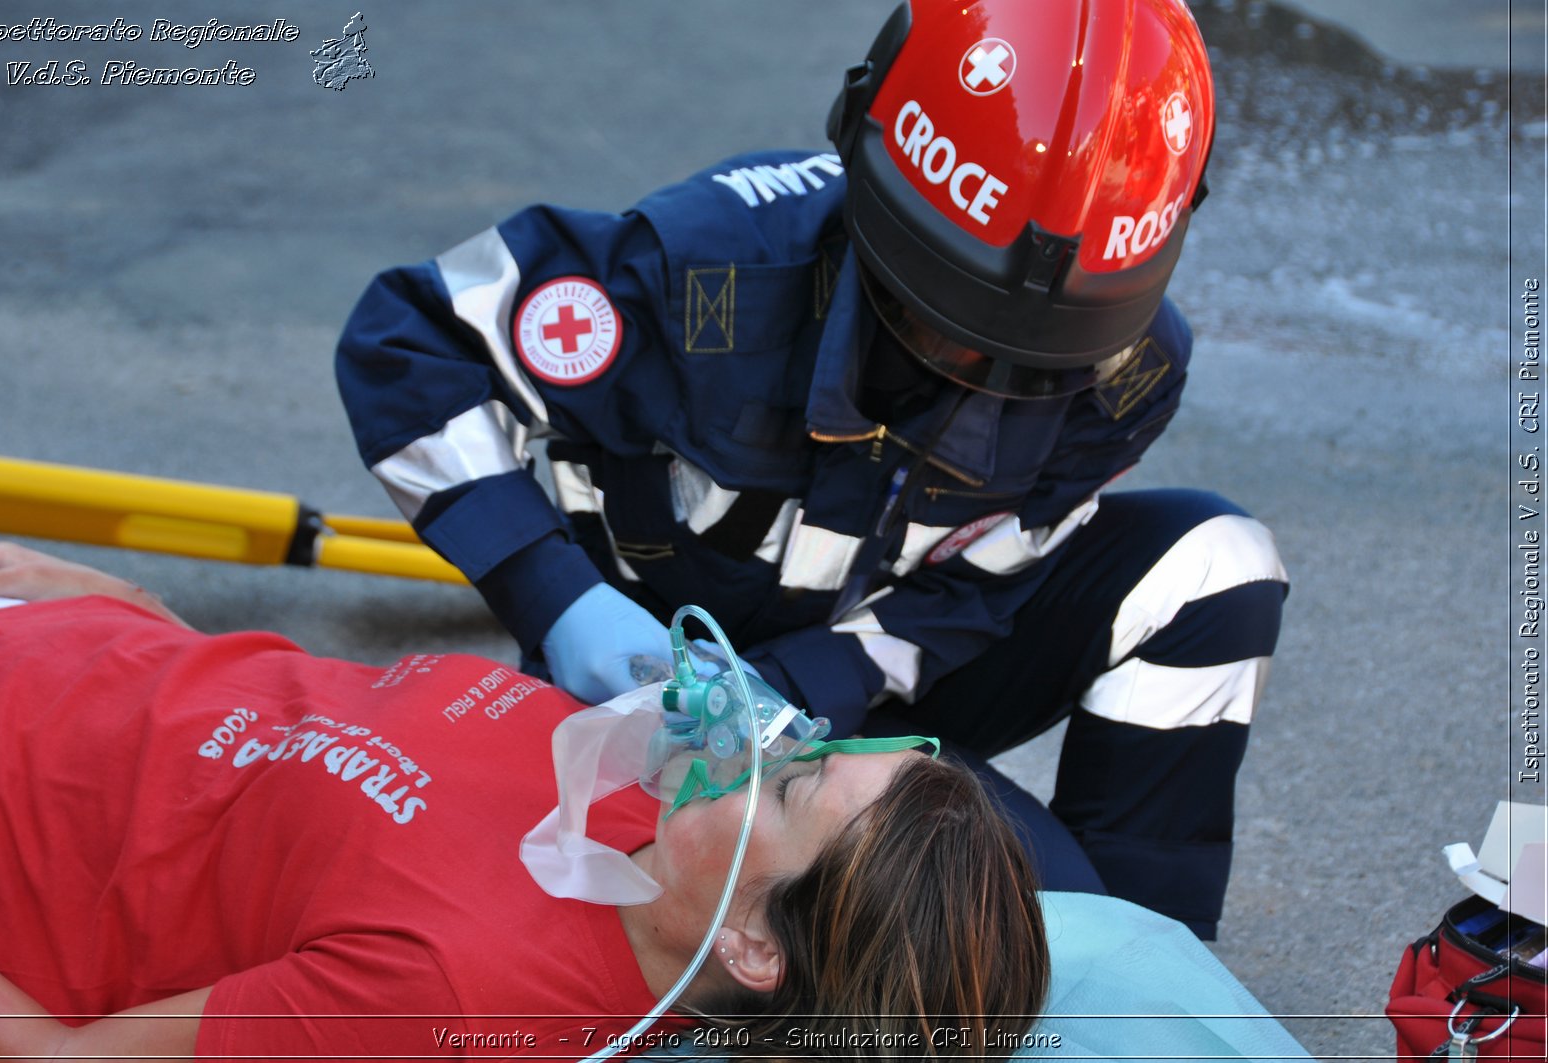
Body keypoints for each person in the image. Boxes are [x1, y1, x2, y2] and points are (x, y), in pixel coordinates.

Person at [335, 0, 1289, 938]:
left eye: (1040, 361)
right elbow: (413, 341)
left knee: (1216, 564)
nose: (989, 381)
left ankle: (1154, 966)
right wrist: (557, 598)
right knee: (1010, 933)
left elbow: (998, 565)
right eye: (947, 328)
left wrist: (812, 685)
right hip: (659, 720)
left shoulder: (1126, 367)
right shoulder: (706, 275)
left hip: (872, 692)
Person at [0, 541, 1048, 1061]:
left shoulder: (451, 999)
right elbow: (301, 758)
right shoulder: (631, 820)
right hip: (44, 636)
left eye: (795, 778)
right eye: (816, 739)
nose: (765, 737)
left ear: (758, 947)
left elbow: (54, 1062)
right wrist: (146, 623)